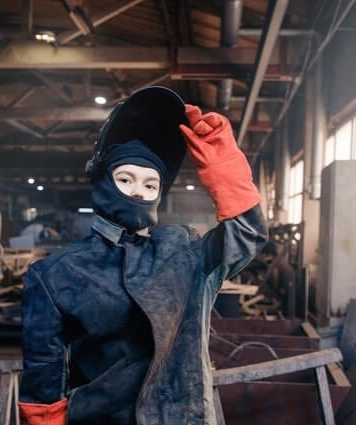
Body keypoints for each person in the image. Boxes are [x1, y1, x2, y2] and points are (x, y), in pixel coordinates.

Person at [17, 87, 268, 425]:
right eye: (125, 179)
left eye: (151, 185)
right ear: (103, 182)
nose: (138, 190)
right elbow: (43, 372)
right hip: (99, 418)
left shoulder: (186, 255)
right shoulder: (56, 273)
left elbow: (248, 232)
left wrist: (225, 167)